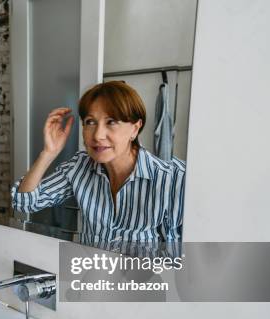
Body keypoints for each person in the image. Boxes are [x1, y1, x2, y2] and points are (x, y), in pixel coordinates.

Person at [11, 81, 185, 248]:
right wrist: (49, 153)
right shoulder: (79, 166)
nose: (97, 135)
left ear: (135, 128)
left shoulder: (173, 179)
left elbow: (182, 255)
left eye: (111, 122)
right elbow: (24, 202)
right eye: (90, 122)